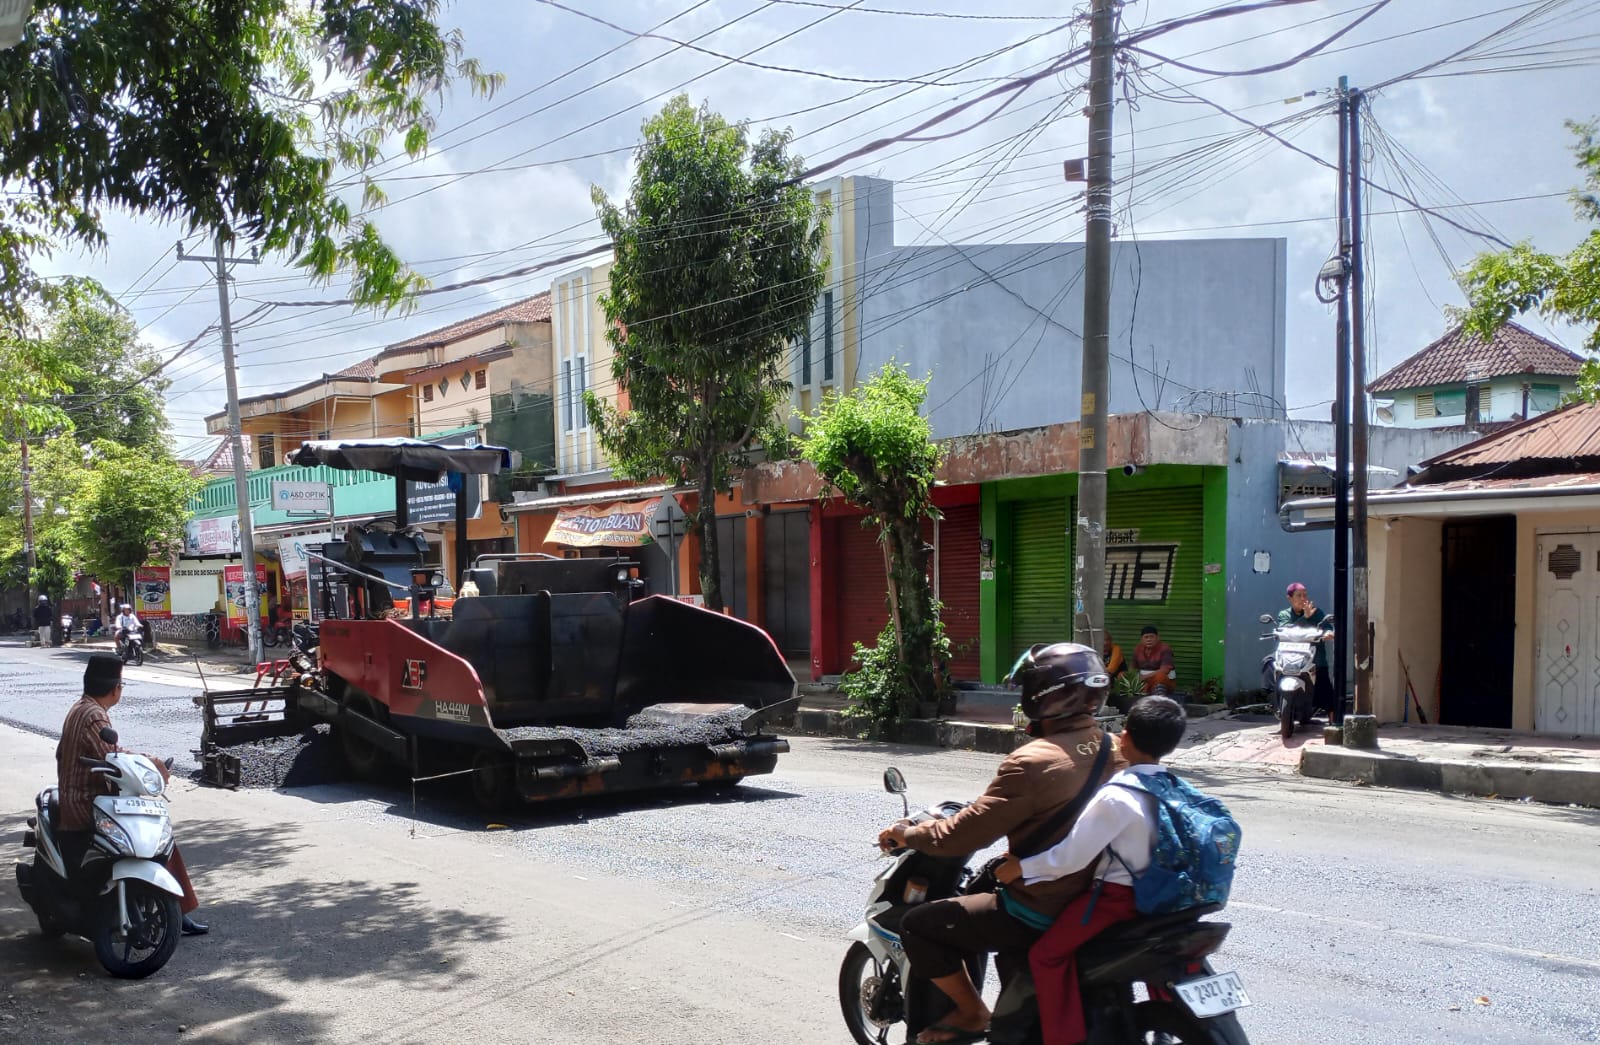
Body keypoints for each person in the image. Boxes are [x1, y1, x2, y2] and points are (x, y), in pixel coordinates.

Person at [878, 643, 1123, 1045]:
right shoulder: (1117, 747)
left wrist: (907, 833)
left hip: (1042, 905)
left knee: (918, 925)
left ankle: (973, 1012)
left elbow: (960, 835)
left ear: (1041, 695)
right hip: (1097, 897)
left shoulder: (1033, 760)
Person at [995, 695, 1189, 1045]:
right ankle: (1165, 1027)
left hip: (1120, 901)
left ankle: (1064, 1038)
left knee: (1047, 956)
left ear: (1124, 736)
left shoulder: (1117, 795)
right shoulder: (1177, 787)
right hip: (1173, 897)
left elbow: (1070, 858)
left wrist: (1021, 868)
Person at [56, 654, 210, 936]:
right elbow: (113, 756)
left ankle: (174, 908)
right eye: (121, 684)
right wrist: (152, 761)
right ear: (116, 688)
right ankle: (178, 909)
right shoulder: (93, 715)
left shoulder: (82, 707)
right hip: (86, 805)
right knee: (158, 843)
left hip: (87, 799)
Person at [1278, 582, 1338, 722]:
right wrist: (1305, 617)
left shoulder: (1317, 613)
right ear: (1290, 598)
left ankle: (1334, 722)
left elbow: (1327, 627)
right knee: (1270, 666)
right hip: (1289, 658)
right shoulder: (1284, 614)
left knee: (1326, 691)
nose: (1303, 598)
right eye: (1299, 595)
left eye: (1305, 595)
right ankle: (1276, 703)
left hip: (1314, 659)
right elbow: (1287, 630)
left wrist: (1329, 633)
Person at [1132, 625, 1176, 695]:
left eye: (1151, 637)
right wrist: (1135, 679)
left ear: (1158, 638)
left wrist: (1144, 677)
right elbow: (1132, 668)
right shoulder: (1137, 649)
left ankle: (1158, 699)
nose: (1149, 639)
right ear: (1141, 639)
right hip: (1144, 681)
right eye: (1146, 637)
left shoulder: (1165, 649)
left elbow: (1165, 670)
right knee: (1121, 675)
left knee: (1160, 675)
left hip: (1163, 682)